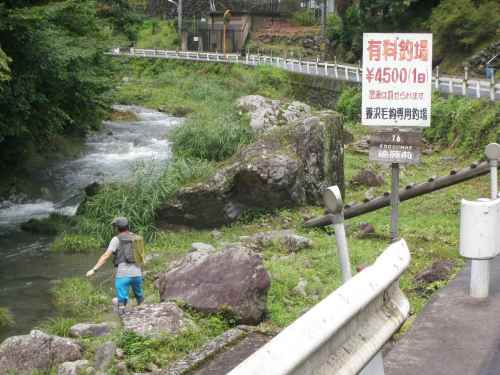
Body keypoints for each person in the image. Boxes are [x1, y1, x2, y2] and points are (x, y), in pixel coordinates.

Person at [86, 217, 144, 314]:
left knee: (121, 301)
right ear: (127, 226)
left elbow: (105, 256)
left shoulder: (116, 239)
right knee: (139, 296)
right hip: (137, 273)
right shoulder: (137, 238)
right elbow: (140, 256)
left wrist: (94, 269)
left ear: (117, 228)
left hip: (123, 275)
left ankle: (123, 320)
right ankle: (144, 315)